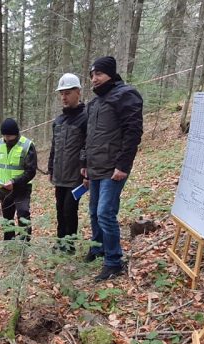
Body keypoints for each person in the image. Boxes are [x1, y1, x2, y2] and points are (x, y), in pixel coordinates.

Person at [81, 56, 144, 281]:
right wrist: (85, 164)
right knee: (94, 212)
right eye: (92, 75)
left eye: (98, 74)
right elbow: (88, 138)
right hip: (96, 167)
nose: (94, 79)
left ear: (110, 73)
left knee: (105, 213)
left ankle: (113, 261)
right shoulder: (95, 103)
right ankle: (98, 248)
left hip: (113, 169)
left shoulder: (126, 95)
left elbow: (133, 132)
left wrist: (123, 165)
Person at [48, 73, 87, 253]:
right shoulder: (58, 121)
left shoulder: (85, 117)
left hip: (76, 176)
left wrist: (86, 169)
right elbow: (54, 147)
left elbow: (88, 145)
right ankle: (60, 241)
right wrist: (50, 168)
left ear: (78, 92)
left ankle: (69, 244)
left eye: (67, 93)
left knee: (69, 211)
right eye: (61, 93)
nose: (64, 97)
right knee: (59, 210)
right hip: (59, 175)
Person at [0, 118, 38, 240]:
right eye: (4, 135)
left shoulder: (27, 145)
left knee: (23, 213)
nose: (6, 138)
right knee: (7, 218)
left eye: (9, 136)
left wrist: (14, 182)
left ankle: (25, 242)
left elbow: (31, 171)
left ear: (16, 133)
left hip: (22, 189)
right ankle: (8, 242)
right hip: (3, 190)